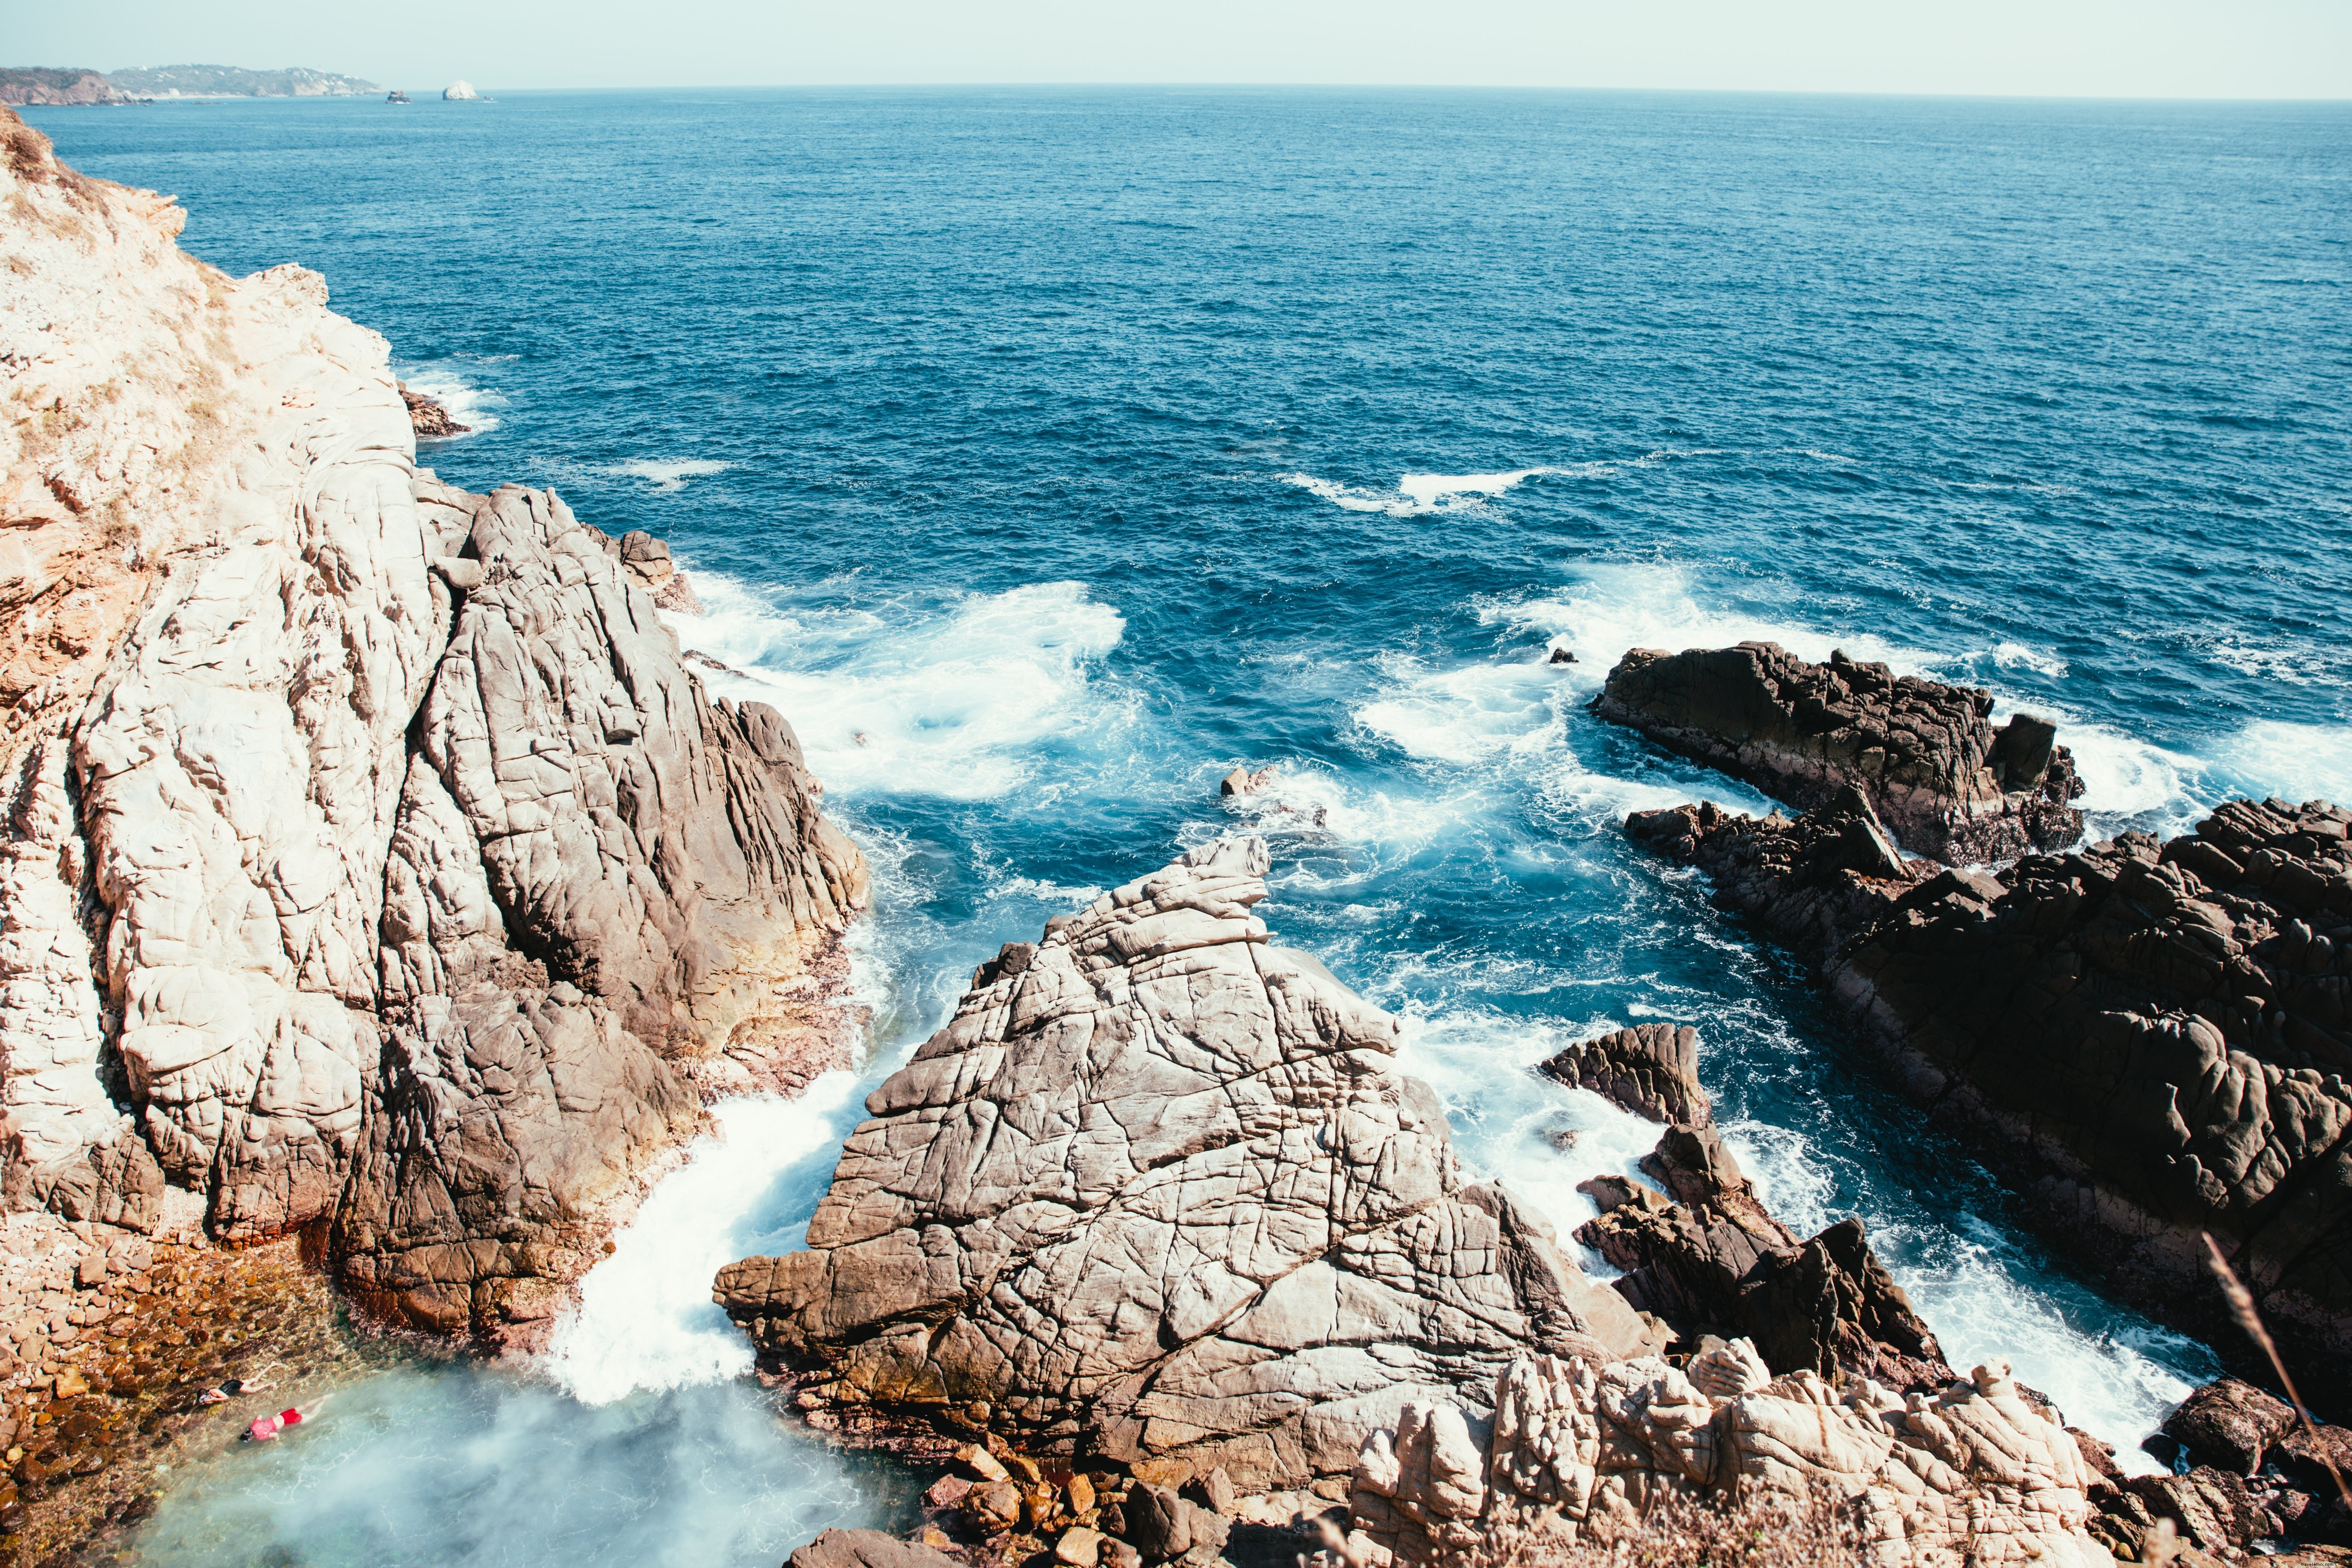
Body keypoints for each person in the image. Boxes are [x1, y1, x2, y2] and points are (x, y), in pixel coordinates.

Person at [241, 1394, 328, 1443]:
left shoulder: (260, 1437)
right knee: (304, 1407)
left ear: (250, 1438)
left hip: (287, 1421)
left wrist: (277, 1443)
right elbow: (259, 1416)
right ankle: (322, 1398)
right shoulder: (253, 1426)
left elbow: (275, 1435)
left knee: (311, 1416)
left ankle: (322, 1404)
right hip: (283, 1415)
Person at [197, 1371, 277, 1406]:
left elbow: (227, 1398)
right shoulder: (206, 1397)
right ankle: (271, 1365)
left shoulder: (214, 1392)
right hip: (232, 1383)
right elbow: (197, 1405)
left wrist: (215, 1400)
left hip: (234, 1385)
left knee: (253, 1390)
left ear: (207, 1393)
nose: (205, 1400)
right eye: (202, 1399)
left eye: (205, 1398)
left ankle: (270, 1384)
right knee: (255, 1380)